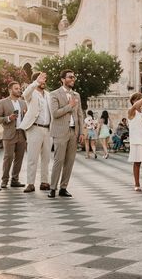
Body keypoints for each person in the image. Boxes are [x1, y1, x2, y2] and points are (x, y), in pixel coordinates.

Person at [48, 69, 85, 198]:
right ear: (63, 79)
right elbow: (55, 114)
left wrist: (81, 132)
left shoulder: (77, 95)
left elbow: (80, 114)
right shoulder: (54, 94)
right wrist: (69, 106)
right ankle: (52, 188)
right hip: (60, 132)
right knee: (59, 160)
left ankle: (63, 188)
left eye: (74, 77)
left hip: (74, 132)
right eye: (70, 77)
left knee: (70, 161)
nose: (73, 79)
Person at [20, 72, 52, 193]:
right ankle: (30, 183)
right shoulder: (31, 93)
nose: (43, 82)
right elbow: (24, 93)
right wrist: (35, 83)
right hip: (35, 128)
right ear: (35, 81)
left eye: (44, 80)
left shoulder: (49, 95)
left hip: (48, 129)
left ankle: (44, 182)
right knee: (32, 157)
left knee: (46, 157)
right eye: (41, 80)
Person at [0, 81, 27, 189]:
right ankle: (4, 180)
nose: (19, 90)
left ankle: (15, 179)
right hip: (9, 133)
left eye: (19, 88)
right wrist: (9, 118)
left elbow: (26, 117)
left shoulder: (23, 103)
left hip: (21, 133)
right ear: (10, 90)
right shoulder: (2, 102)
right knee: (8, 157)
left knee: (19, 157)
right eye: (16, 88)